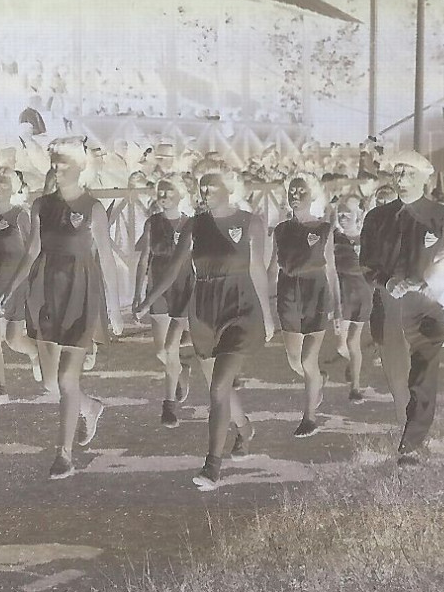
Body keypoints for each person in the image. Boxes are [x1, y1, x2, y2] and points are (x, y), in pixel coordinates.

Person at [0, 137, 120, 480]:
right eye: (54, 162)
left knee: (67, 378)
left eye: (64, 163)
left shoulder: (93, 208)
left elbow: (106, 259)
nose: (58, 168)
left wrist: (117, 311)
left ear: (81, 167)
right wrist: (12, 288)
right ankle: (90, 406)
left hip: (80, 293)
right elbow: (33, 250)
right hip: (46, 292)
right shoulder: (40, 206)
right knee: (51, 383)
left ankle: (64, 454)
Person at [140, 168, 272, 491]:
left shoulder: (251, 222)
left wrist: (268, 316)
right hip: (204, 309)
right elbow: (173, 269)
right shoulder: (194, 225)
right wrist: (148, 300)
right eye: (202, 187)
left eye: (212, 186)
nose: (205, 191)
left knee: (218, 388)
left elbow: (258, 268)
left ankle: (212, 466)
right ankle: (244, 428)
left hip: (240, 308)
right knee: (220, 387)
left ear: (231, 187)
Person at [359, 150, 444, 465]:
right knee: (397, 376)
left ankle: (411, 443)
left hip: (426, 307)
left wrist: (433, 283)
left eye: (409, 174)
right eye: (397, 174)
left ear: (425, 178)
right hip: (387, 307)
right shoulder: (376, 218)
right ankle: (407, 429)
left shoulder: (443, 217)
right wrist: (386, 282)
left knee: (422, 373)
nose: (402, 180)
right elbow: (367, 264)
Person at [269, 174, 339, 438]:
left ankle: (309, 418)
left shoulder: (324, 229)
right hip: (288, 293)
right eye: (292, 191)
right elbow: (271, 267)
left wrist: (338, 308)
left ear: (313, 195)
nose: (296, 195)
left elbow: (331, 269)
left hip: (317, 293)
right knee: (295, 361)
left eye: (301, 191)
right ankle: (318, 381)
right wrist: (262, 303)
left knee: (309, 359)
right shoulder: (280, 230)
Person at [0, 167, 39, 407]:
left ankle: (34, 353)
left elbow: (32, 251)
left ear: (13, 188)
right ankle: (0, 389)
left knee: (13, 339)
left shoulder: (20, 215)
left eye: (2, 184)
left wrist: (21, 283)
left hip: (18, 281)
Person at [133, 176, 193, 428]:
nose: (164, 195)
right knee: (162, 350)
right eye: (160, 191)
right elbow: (144, 259)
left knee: (169, 350)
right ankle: (181, 372)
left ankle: (168, 406)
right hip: (157, 288)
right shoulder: (152, 223)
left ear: (180, 195)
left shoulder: (191, 224)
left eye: (169, 191)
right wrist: (139, 293)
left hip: (183, 287)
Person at [332, 193, 374, 403]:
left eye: (347, 213)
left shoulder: (367, 239)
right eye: (340, 213)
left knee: (352, 341)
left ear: (359, 215)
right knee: (341, 346)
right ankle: (354, 363)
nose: (342, 217)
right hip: (342, 296)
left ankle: (355, 387)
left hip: (362, 294)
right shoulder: (334, 238)